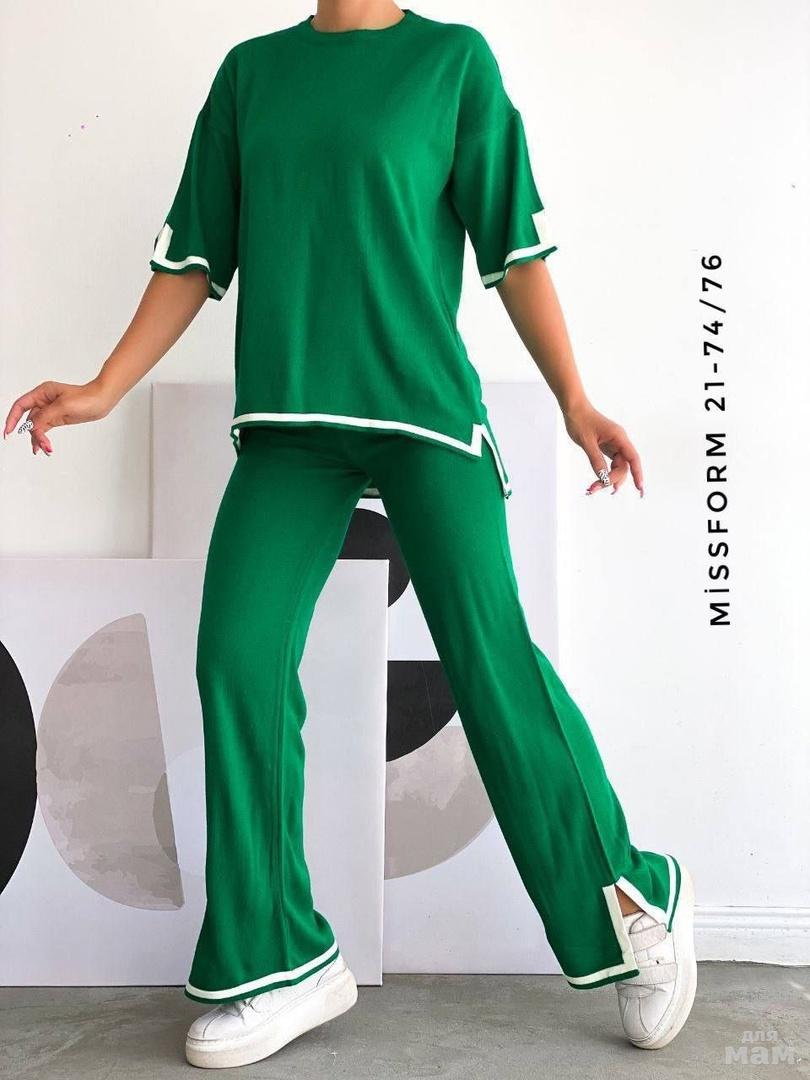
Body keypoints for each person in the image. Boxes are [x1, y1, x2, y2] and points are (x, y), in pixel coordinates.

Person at [4, 1, 697, 1069]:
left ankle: (632, 903)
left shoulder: (452, 63)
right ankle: (281, 957)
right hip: (291, 427)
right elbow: (195, 257)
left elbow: (514, 254)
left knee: (491, 663)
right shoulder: (252, 74)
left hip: (424, 417)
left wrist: (575, 400)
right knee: (236, 658)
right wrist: (104, 386)